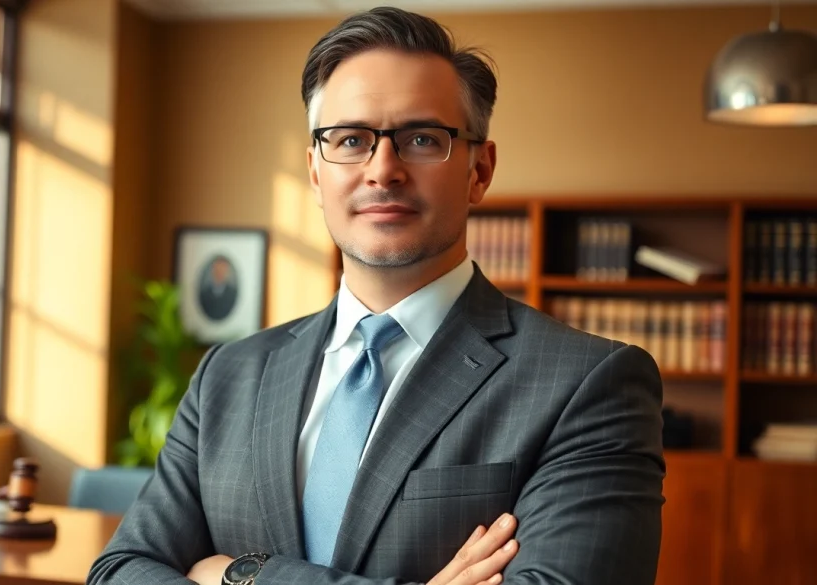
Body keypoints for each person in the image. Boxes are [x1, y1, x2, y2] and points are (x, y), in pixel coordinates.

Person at [87, 7, 664, 585]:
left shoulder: (590, 384)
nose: (383, 170)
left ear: (479, 170)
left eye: (421, 138)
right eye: (351, 139)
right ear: (315, 171)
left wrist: (246, 577)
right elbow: (119, 572)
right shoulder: (228, 376)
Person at [198, 255, 239, 321]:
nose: (220, 273)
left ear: (227, 272)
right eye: (218, 269)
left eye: (223, 270)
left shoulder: (232, 294)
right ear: (212, 271)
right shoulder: (204, 294)